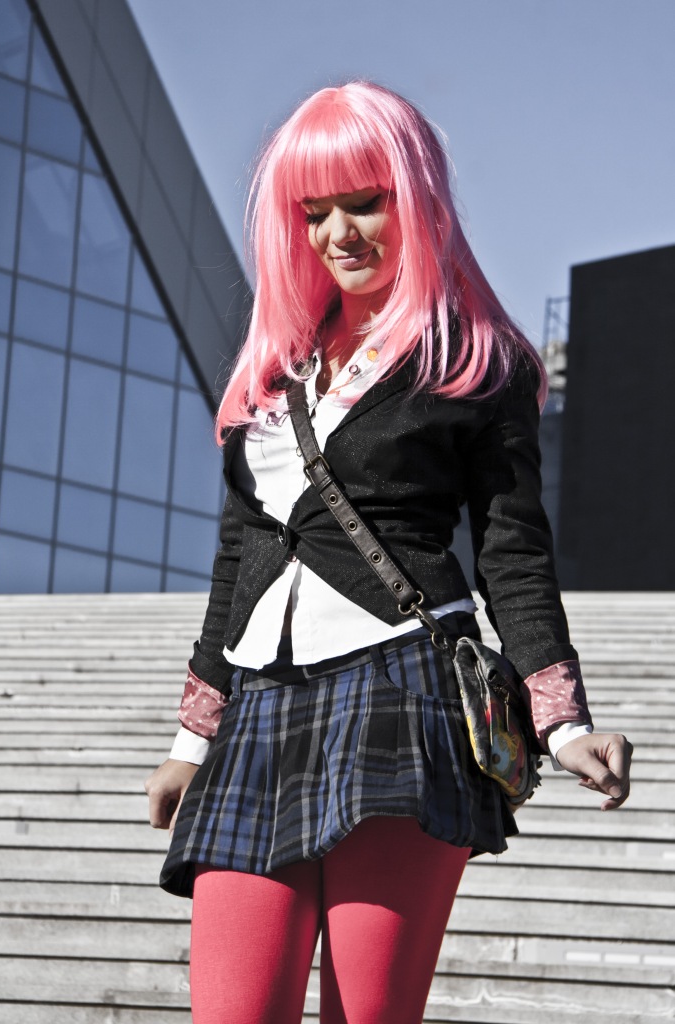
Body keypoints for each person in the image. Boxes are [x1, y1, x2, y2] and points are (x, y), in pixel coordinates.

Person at [145, 81, 632, 1024]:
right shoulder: (275, 367)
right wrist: (189, 739)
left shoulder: (476, 360)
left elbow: (512, 554)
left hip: (401, 691)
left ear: (416, 197)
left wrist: (563, 722)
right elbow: (239, 558)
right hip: (260, 705)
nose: (339, 233)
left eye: (364, 202)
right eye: (315, 212)